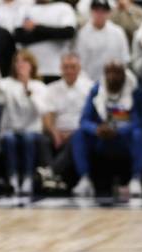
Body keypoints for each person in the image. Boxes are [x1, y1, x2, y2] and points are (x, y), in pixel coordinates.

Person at [71, 61, 142, 197]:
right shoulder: (96, 90)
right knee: (79, 135)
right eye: (109, 73)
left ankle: (136, 179)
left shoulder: (135, 91)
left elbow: (140, 121)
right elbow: (84, 120)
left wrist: (118, 130)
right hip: (102, 138)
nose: (112, 77)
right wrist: (96, 129)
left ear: (124, 74)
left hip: (124, 139)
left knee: (139, 134)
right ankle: (84, 179)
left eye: (116, 73)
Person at [0, 48, 47, 195]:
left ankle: (28, 178)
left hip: (32, 130)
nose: (20, 65)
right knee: (10, 139)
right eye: (17, 62)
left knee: (28, 139)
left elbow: (41, 110)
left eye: (24, 61)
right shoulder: (8, 83)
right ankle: (13, 178)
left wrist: (27, 90)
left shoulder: (39, 86)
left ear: (32, 65)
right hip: (10, 130)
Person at [41, 53, 93, 186]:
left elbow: (91, 117)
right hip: (58, 132)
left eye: (73, 67)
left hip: (80, 131)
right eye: (66, 67)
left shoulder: (89, 87)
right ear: (60, 68)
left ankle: (50, 172)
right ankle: (52, 178)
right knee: (41, 139)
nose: (69, 71)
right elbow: (47, 116)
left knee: (77, 138)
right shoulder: (51, 88)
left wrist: (72, 134)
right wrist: (54, 132)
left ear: (79, 68)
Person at [14, 0, 76, 83]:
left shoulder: (63, 8)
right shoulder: (24, 9)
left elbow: (68, 33)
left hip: (56, 70)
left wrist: (36, 28)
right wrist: (52, 34)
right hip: (31, 72)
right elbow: (19, 37)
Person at [75, 0, 130, 83]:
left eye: (103, 11)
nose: (100, 14)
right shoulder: (82, 34)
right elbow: (80, 63)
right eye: (97, 10)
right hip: (89, 83)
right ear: (91, 11)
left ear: (109, 12)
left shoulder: (118, 32)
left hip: (114, 83)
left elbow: (124, 60)